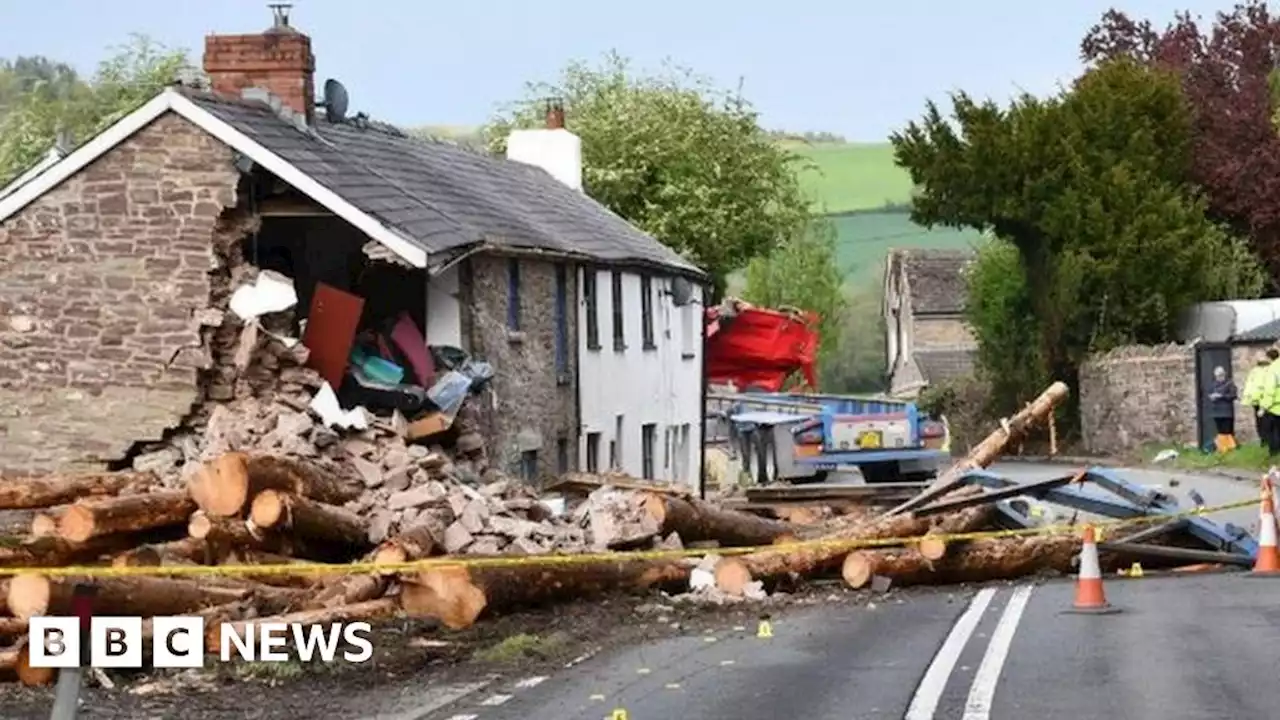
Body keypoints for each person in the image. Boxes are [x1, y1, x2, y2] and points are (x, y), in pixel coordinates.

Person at [1208, 366, 1238, 453]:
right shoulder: (1213, 384)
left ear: (1224, 374)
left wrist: (1222, 396)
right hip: (1216, 412)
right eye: (1217, 376)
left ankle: (1231, 449)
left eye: (1221, 375)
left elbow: (1233, 395)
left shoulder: (1230, 383)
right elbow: (1209, 393)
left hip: (1227, 412)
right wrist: (1212, 396)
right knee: (1220, 432)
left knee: (1227, 432)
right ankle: (1222, 449)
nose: (1219, 377)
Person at [1243, 356, 1272, 446]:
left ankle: (1264, 440)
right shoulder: (1270, 371)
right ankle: (1267, 440)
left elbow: (1249, 386)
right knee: (1268, 421)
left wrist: (1247, 399)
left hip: (1257, 401)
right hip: (1266, 400)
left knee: (1260, 421)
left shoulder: (1253, 372)